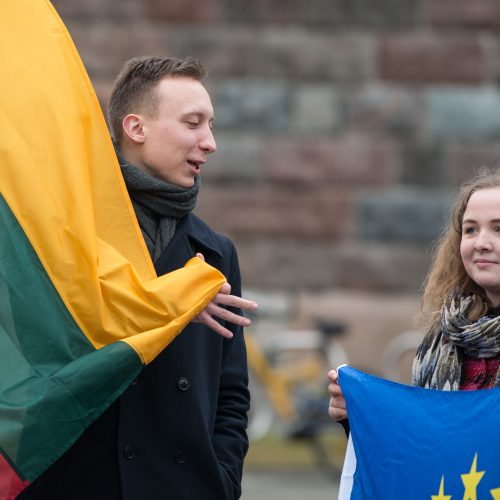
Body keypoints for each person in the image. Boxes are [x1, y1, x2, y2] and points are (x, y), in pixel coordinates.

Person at [19, 56, 256, 500]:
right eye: (193, 123)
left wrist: (222, 478)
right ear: (136, 128)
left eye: (210, 125)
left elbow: (231, 392)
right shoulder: (65, 234)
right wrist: (165, 302)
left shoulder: (215, 253)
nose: (210, 142)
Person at [328, 167, 500, 426]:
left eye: (498, 229)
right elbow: (418, 442)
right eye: (471, 230)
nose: (481, 243)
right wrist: (356, 416)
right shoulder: (445, 336)